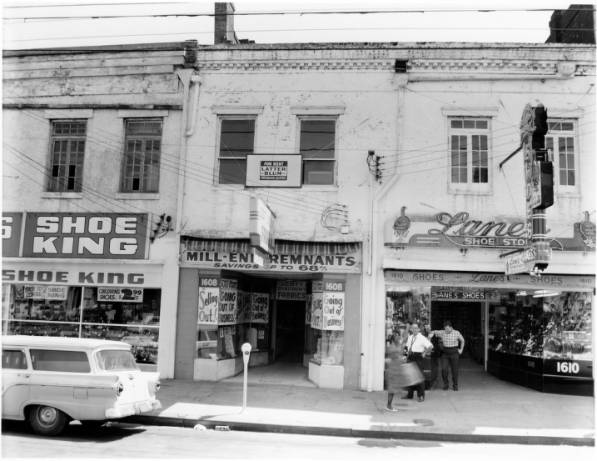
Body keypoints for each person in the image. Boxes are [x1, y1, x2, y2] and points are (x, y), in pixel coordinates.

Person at [402, 322, 433, 402]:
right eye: (413, 328)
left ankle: (421, 395)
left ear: (419, 329)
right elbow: (406, 347)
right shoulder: (410, 337)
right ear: (411, 329)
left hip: (418, 357)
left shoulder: (422, 338)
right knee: (410, 376)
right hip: (410, 356)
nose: (414, 329)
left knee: (419, 377)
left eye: (416, 328)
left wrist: (424, 353)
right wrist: (404, 356)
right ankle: (410, 394)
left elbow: (430, 346)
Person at [431, 320, 465, 391]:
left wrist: (461, 349)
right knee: (444, 369)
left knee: (454, 370)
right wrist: (430, 333)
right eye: (445, 329)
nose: (446, 330)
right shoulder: (442, 332)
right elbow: (433, 331)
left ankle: (455, 385)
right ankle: (446, 384)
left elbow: (462, 340)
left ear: (451, 327)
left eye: (447, 329)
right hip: (445, 353)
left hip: (454, 352)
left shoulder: (456, 332)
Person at [384, 334, 404, 411]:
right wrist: (400, 358)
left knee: (392, 389)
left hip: (395, 369)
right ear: (393, 339)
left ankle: (389, 405)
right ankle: (389, 406)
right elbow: (394, 356)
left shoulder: (396, 346)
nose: (398, 338)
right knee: (392, 390)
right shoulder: (392, 347)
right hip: (393, 370)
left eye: (398, 337)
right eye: (396, 338)